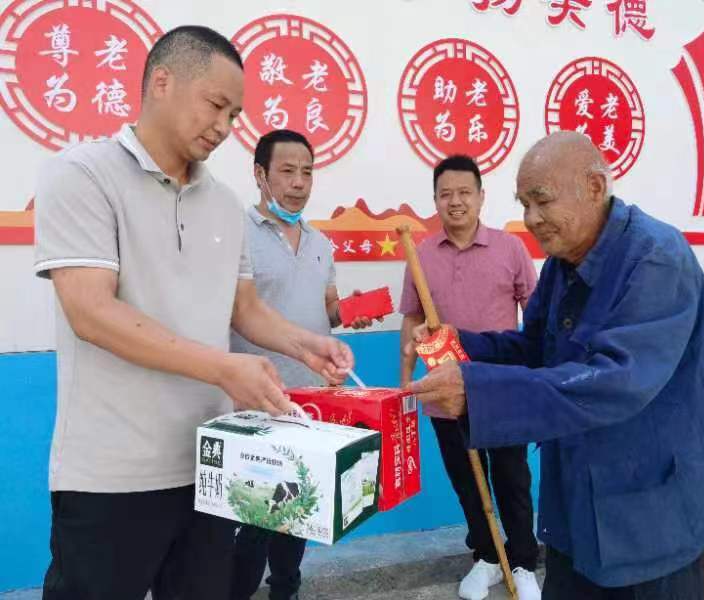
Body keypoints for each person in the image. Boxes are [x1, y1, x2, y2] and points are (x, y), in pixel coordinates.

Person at [34, 26, 353, 600]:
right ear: (162, 82)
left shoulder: (224, 205)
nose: (224, 126)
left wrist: (306, 344)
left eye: (234, 114)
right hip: (112, 475)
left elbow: (244, 309)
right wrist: (223, 369)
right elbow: (91, 311)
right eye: (215, 104)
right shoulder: (82, 174)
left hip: (212, 467)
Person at [407, 132, 704, 600]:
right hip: (575, 512)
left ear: (594, 187)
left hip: (649, 522)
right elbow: (535, 346)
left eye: (542, 201)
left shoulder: (657, 258)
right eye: (524, 204)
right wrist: (463, 345)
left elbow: (616, 380)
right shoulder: (562, 262)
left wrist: (477, 392)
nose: (531, 218)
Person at [229, 129, 379, 600]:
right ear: (260, 174)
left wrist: (349, 311)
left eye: (307, 172)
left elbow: (327, 307)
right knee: (254, 515)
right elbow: (235, 310)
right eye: (287, 171)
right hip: (253, 401)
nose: (299, 183)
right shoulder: (236, 234)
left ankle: (286, 588)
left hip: (310, 401)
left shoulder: (319, 242)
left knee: (296, 510)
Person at [399, 155, 541, 600]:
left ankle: (522, 562)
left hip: (503, 391)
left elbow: (537, 317)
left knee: (512, 480)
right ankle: (486, 556)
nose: (455, 201)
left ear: (481, 197)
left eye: (464, 192)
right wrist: (406, 382)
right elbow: (411, 319)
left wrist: (540, 378)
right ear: (435, 200)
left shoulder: (510, 249)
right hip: (444, 391)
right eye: (445, 194)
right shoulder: (421, 255)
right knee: (466, 481)